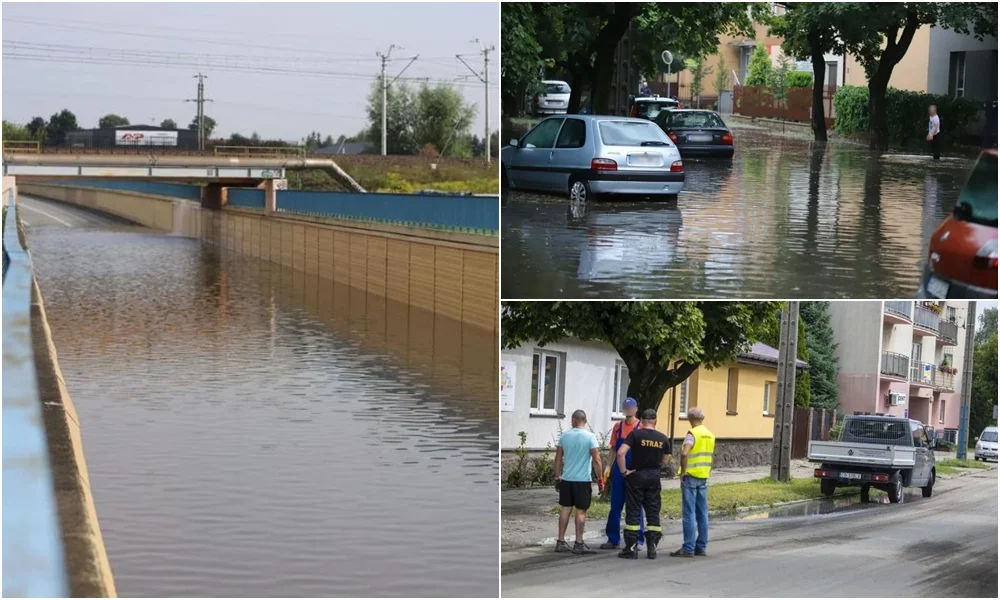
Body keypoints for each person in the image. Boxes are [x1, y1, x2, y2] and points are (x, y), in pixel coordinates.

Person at [616, 408, 671, 559]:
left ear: (641, 420)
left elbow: (620, 453)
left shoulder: (635, 435)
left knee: (633, 510)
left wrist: (623, 471)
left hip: (636, 476)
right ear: (656, 420)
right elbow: (666, 460)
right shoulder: (663, 438)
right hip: (654, 477)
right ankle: (652, 548)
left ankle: (631, 548)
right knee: (653, 511)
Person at [553, 409, 604, 555]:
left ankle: (560, 542)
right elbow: (596, 460)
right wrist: (600, 479)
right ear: (585, 421)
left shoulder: (564, 436)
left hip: (567, 480)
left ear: (574, 420)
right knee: (581, 511)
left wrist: (557, 477)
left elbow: (557, 459)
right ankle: (579, 543)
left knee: (565, 509)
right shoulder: (590, 437)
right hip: (582, 481)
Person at [670, 406, 715, 558]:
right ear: (703, 418)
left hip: (690, 477)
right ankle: (701, 546)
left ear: (690, 419)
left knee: (689, 513)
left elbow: (684, 453)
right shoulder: (710, 434)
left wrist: (683, 472)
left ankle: (688, 547)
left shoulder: (692, 433)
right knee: (702, 513)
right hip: (703, 476)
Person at [601, 398, 645, 550]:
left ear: (636, 409)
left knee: (635, 506)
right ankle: (612, 539)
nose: (628, 410)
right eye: (625, 407)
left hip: (634, 471)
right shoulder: (618, 427)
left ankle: (638, 540)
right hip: (618, 473)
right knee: (615, 505)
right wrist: (608, 466)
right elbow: (614, 448)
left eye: (630, 407)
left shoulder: (640, 427)